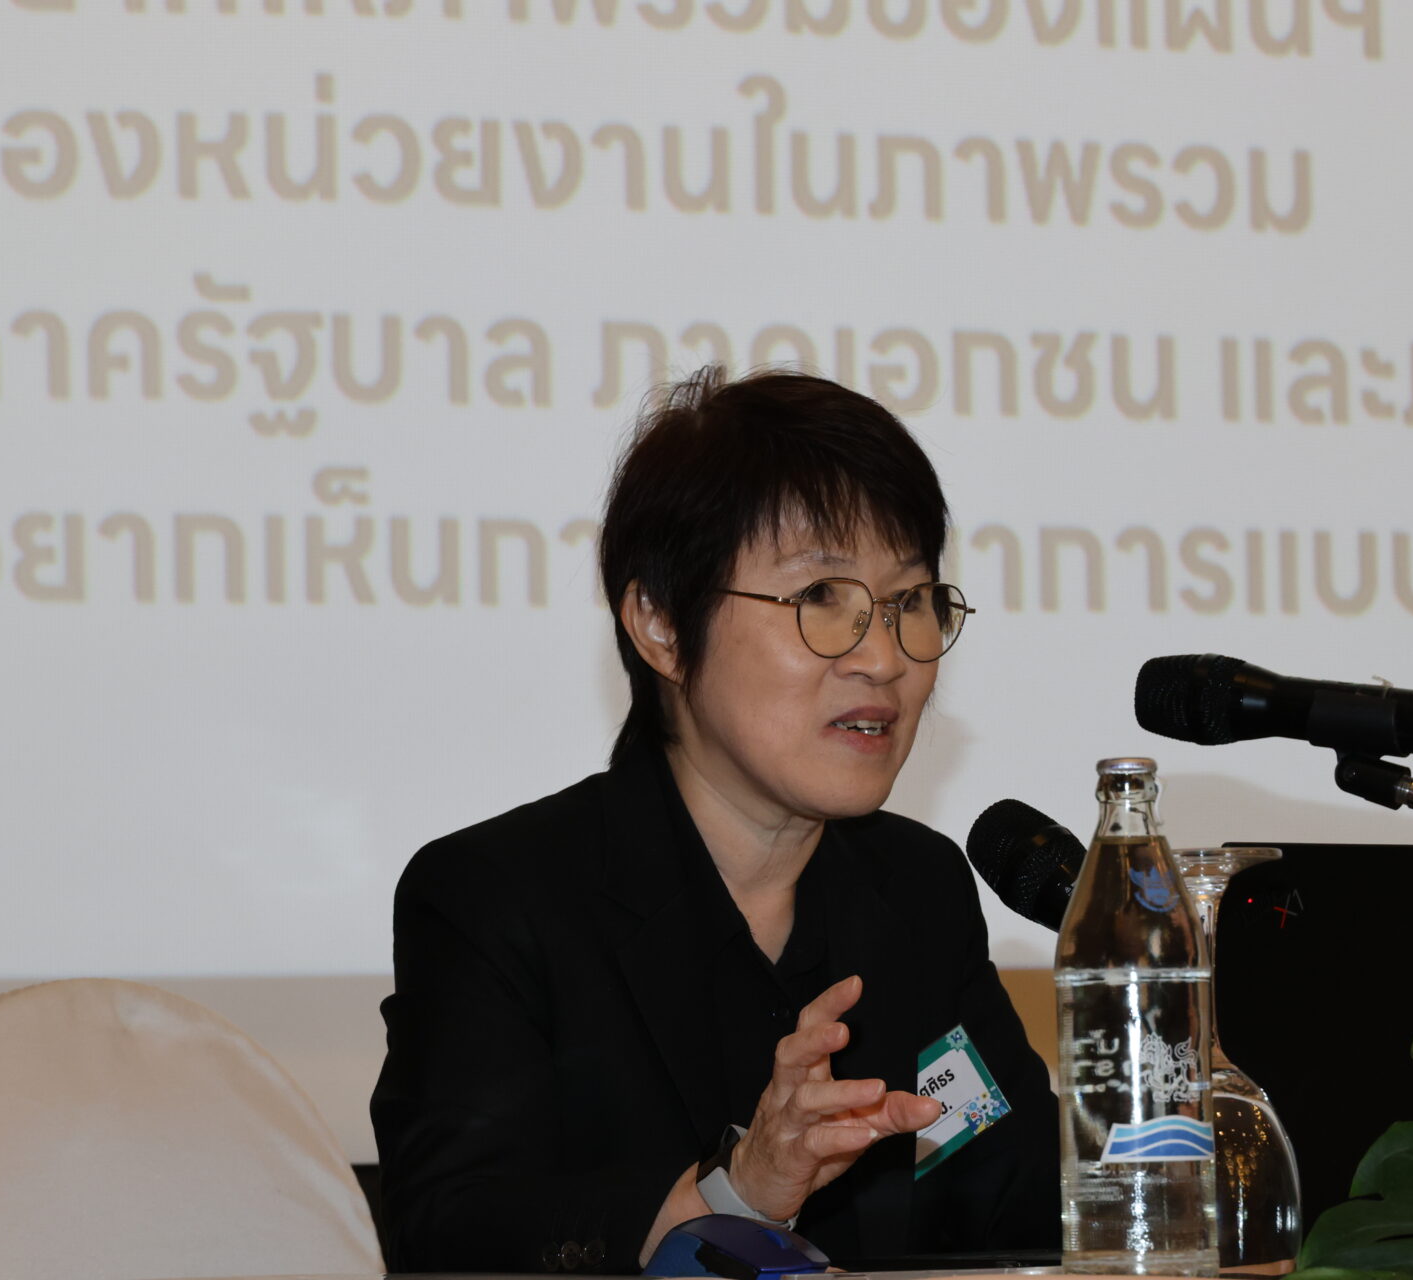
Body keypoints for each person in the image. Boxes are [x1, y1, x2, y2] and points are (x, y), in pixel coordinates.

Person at [370, 367, 1058, 1273]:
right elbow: (456, 1233)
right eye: (823, 599)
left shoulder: (917, 890)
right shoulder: (499, 898)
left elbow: (1024, 1204)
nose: (884, 659)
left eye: (908, 603)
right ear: (660, 623)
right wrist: (739, 1197)